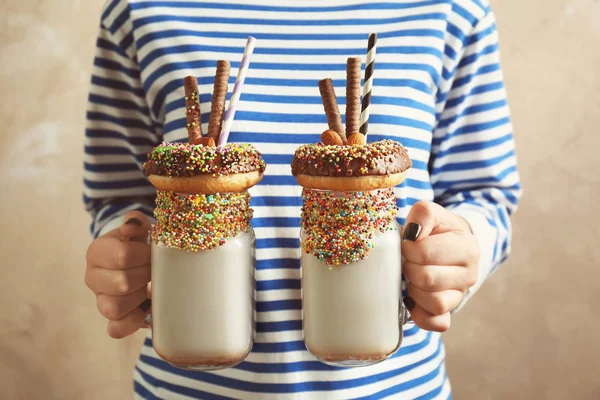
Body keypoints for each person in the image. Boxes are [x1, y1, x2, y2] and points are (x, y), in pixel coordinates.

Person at [83, 1, 521, 398]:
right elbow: (116, 196)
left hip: (395, 387)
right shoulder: (139, 11)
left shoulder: (453, 12)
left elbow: (485, 193)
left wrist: (463, 247)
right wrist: (123, 256)